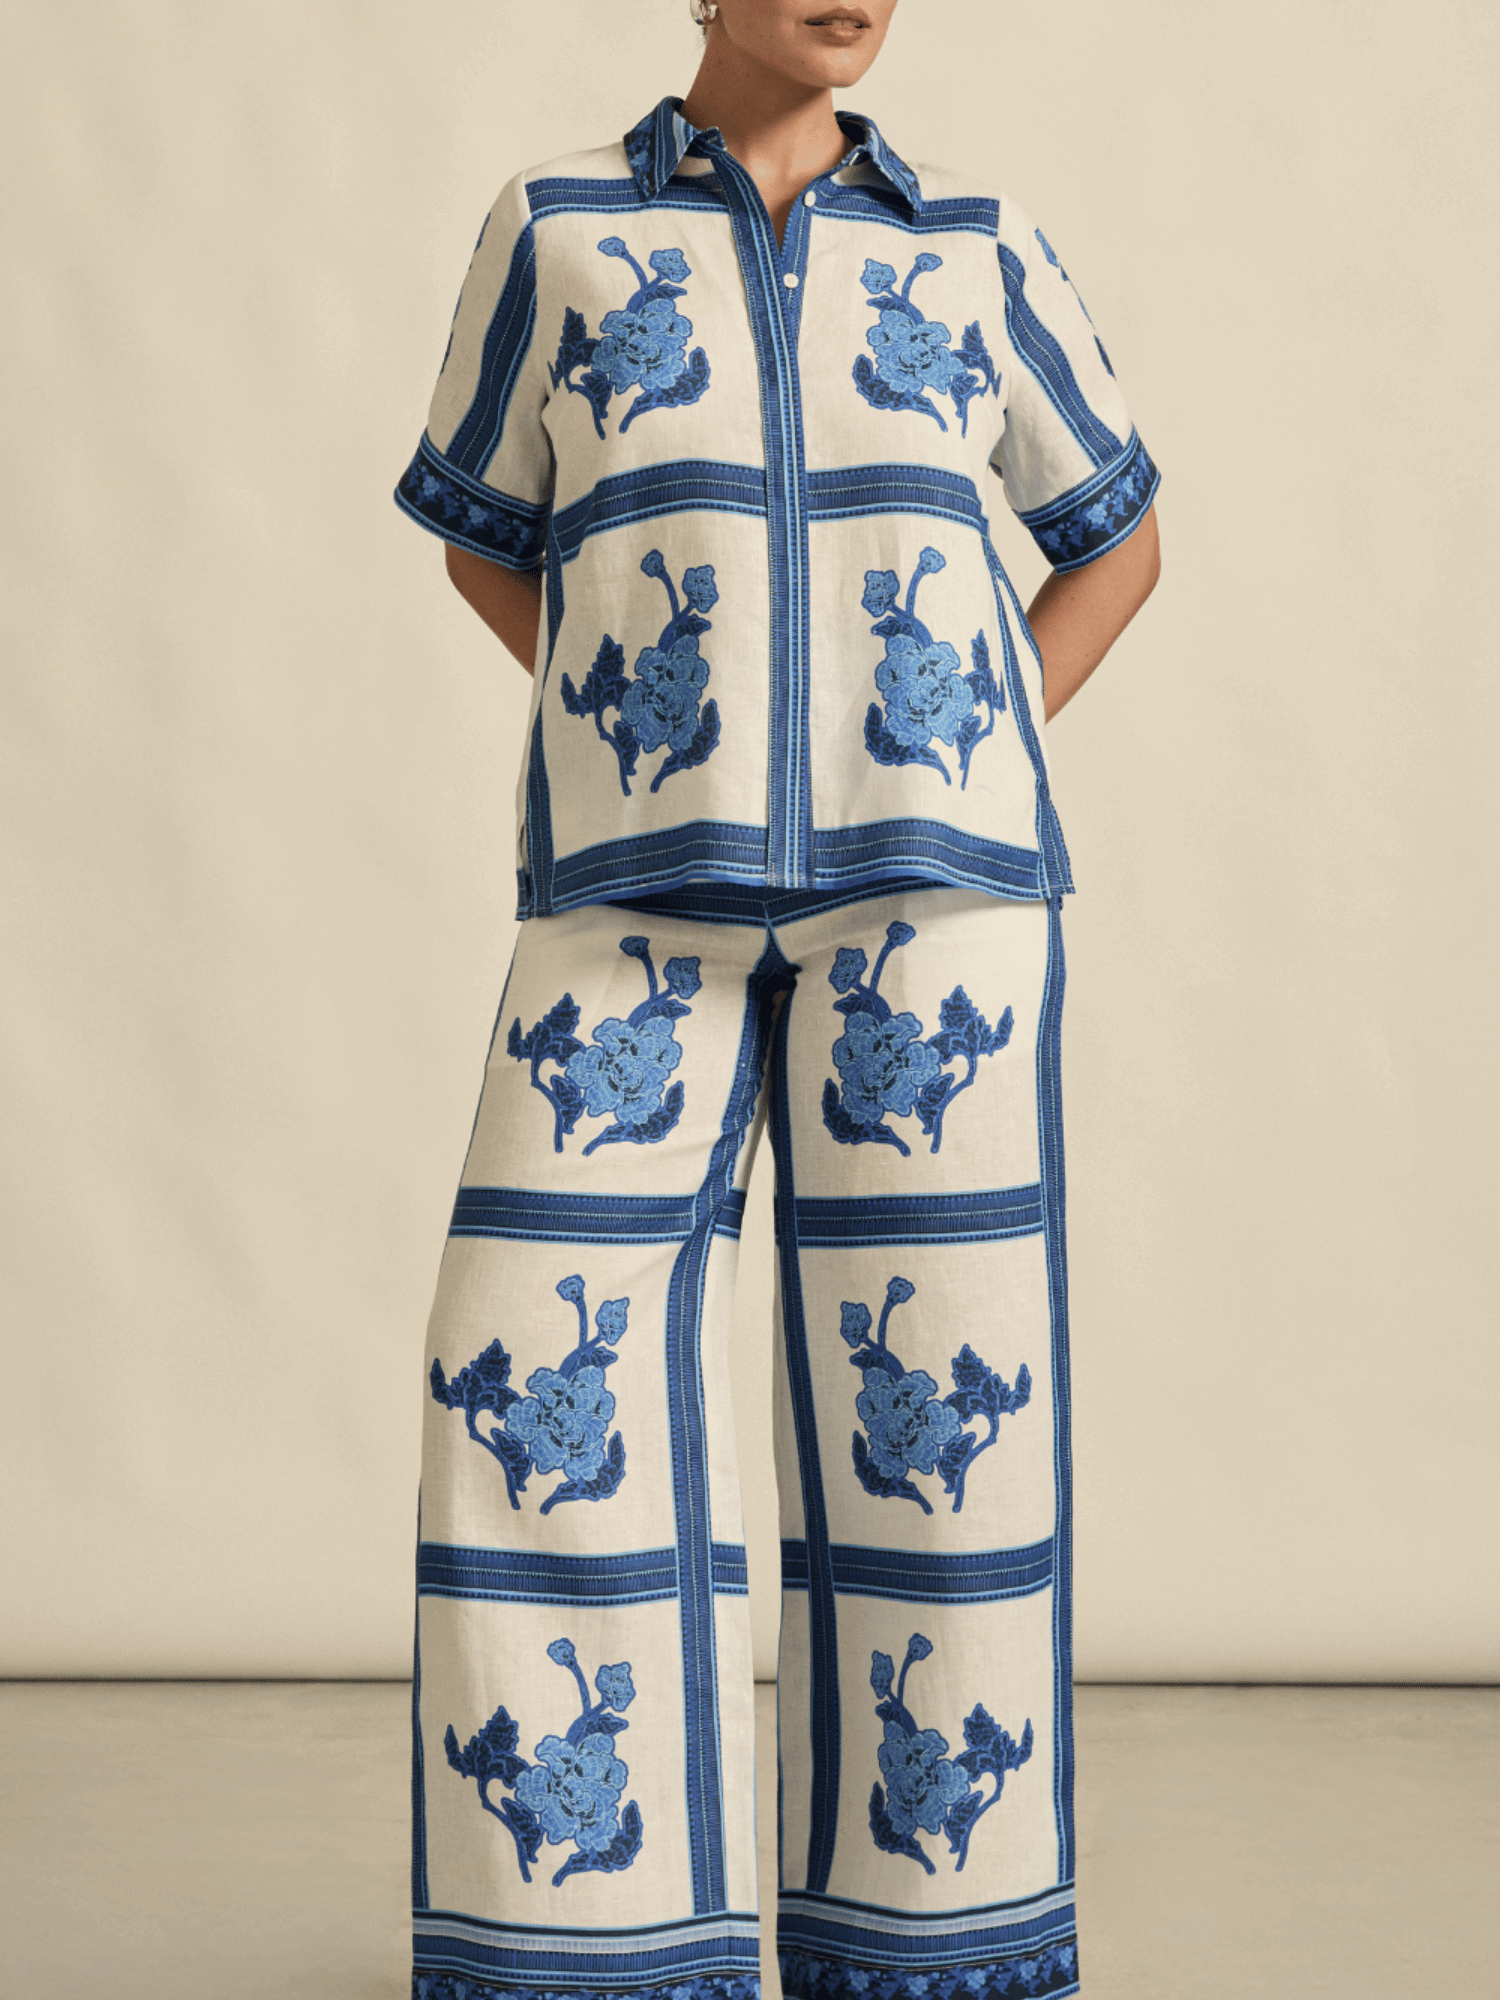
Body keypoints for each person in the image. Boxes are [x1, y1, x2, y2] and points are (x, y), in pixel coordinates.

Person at [392, 5, 1160, 1997]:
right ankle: (585, 1945)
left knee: (940, 1430)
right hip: (628, 905)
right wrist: (653, 723)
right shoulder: (555, 230)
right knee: (524, 1374)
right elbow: (486, 539)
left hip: (939, 923)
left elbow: (1119, 541)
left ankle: (929, 1940)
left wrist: (960, 737)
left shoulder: (975, 245)